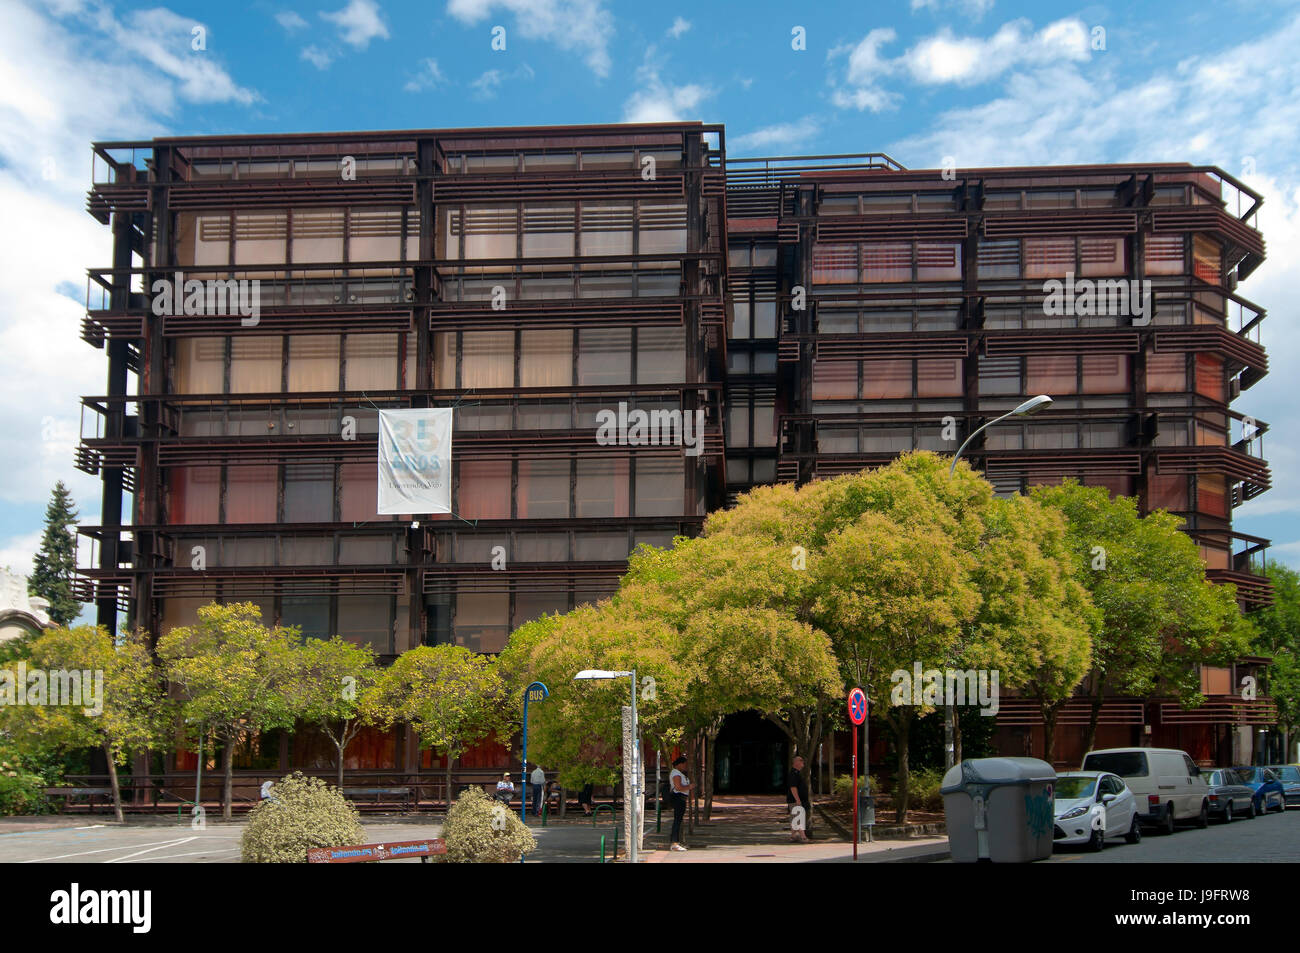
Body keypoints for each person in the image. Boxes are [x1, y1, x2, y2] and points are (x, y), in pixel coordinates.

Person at [786, 755, 813, 842]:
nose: (803, 762)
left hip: (798, 800)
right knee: (798, 818)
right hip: (795, 800)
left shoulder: (797, 773)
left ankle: (793, 836)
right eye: (801, 760)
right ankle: (803, 836)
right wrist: (797, 799)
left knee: (795, 818)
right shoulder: (793, 774)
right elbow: (793, 787)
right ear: (796, 762)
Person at [669, 755, 691, 851]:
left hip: (682, 798)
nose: (685, 766)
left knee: (679, 820)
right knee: (677, 820)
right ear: (680, 764)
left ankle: (676, 842)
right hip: (678, 797)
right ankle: (674, 843)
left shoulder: (680, 773)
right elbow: (678, 787)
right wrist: (689, 787)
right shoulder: (676, 773)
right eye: (684, 764)